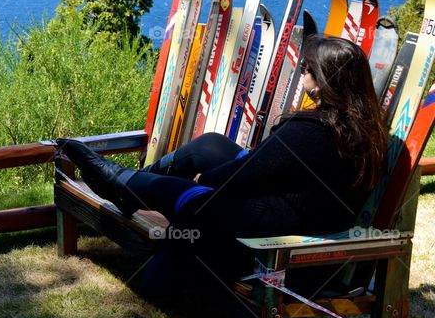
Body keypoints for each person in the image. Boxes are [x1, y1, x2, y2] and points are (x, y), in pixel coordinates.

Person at [55, 36, 389, 296]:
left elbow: (249, 175)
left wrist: (207, 179)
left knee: (185, 191)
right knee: (211, 145)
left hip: (274, 238)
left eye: (307, 69)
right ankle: (132, 189)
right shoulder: (363, 127)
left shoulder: (313, 131)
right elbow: (271, 167)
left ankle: (121, 181)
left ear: (326, 79)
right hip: (297, 214)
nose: (303, 72)